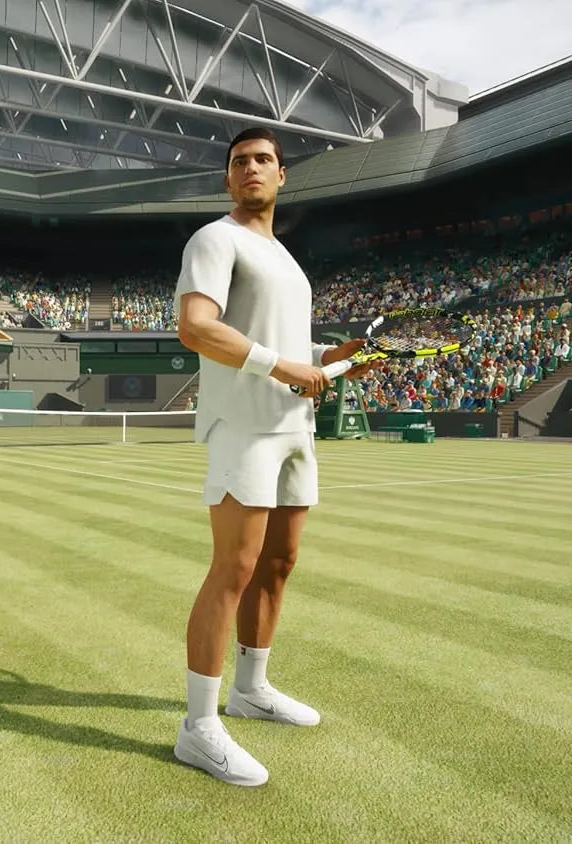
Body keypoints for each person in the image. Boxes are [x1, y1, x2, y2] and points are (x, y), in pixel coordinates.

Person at [172, 127, 379, 787]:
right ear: (228, 178)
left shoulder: (288, 261)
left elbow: (290, 347)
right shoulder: (214, 239)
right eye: (240, 162)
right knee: (232, 568)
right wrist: (285, 367)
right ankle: (198, 727)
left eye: (264, 160)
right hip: (243, 427)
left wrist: (330, 358)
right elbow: (196, 327)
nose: (252, 168)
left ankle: (251, 690)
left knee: (279, 563)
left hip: (295, 430)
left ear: (282, 176)